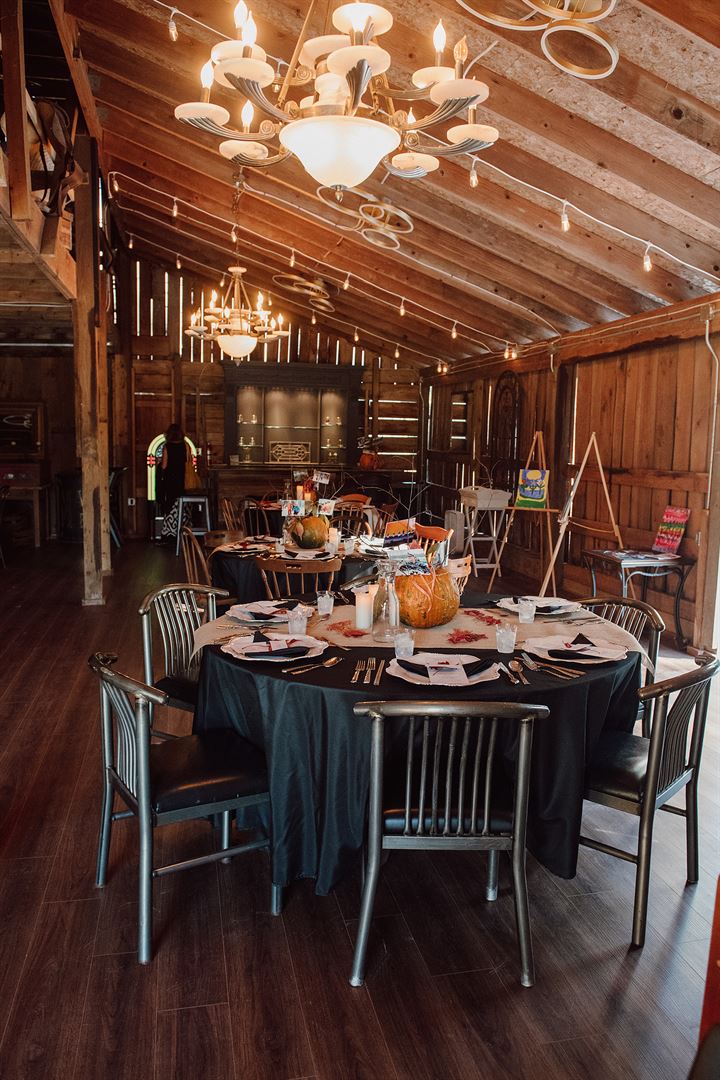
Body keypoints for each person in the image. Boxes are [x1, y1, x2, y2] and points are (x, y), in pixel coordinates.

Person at [159, 423, 187, 513]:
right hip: (182, 476)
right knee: (182, 498)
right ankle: (182, 517)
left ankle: (171, 517)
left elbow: (164, 465)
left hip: (170, 478)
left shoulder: (167, 446)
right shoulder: (184, 445)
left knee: (171, 500)